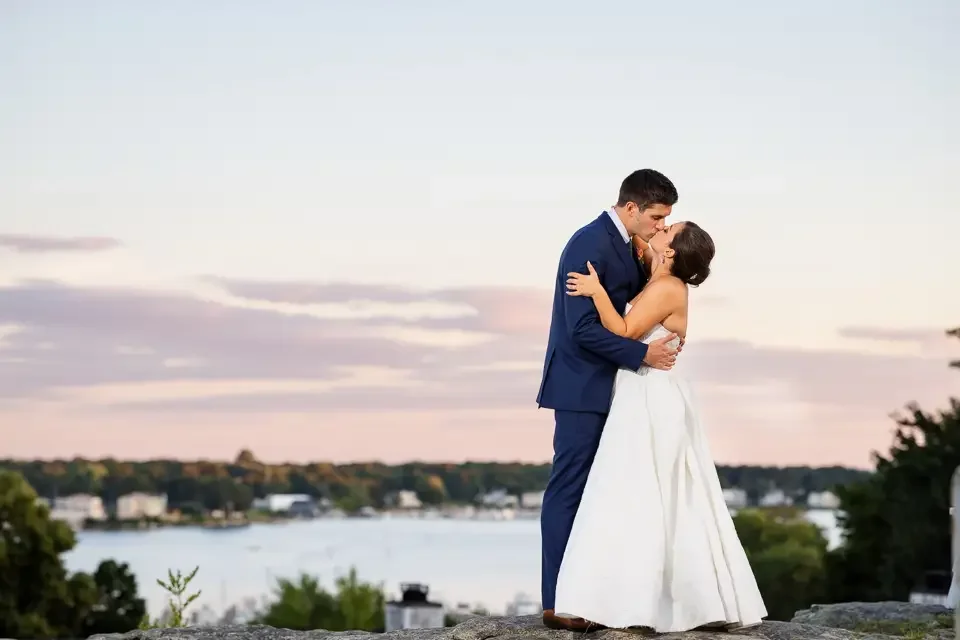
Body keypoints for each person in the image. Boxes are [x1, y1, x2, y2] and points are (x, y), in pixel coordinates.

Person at [552, 220, 767, 632]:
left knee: (649, 494)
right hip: (640, 393)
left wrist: (596, 293)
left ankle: (654, 603)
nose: (661, 228)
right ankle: (644, 599)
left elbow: (627, 331)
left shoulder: (667, 288)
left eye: (669, 230)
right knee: (646, 494)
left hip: (651, 396)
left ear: (670, 251)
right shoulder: (659, 282)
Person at [535, 169, 682, 631]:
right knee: (570, 490)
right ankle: (557, 603)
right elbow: (581, 329)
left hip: (617, 390)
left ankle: (597, 595)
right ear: (631, 207)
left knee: (604, 496)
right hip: (581, 387)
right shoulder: (588, 244)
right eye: (657, 217)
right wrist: (643, 354)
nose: (661, 226)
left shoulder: (627, 247)